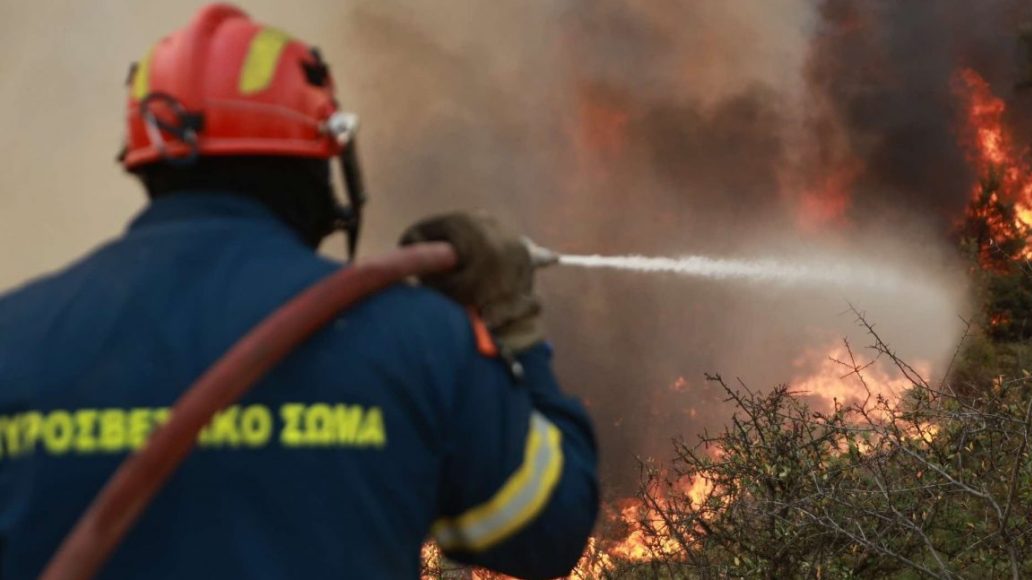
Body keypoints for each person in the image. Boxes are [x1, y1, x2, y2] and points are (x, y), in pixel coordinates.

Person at [0, 4, 598, 579]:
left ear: (144, 162)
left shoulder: (16, 341)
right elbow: (550, 529)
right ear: (316, 161)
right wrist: (513, 322)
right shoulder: (417, 340)